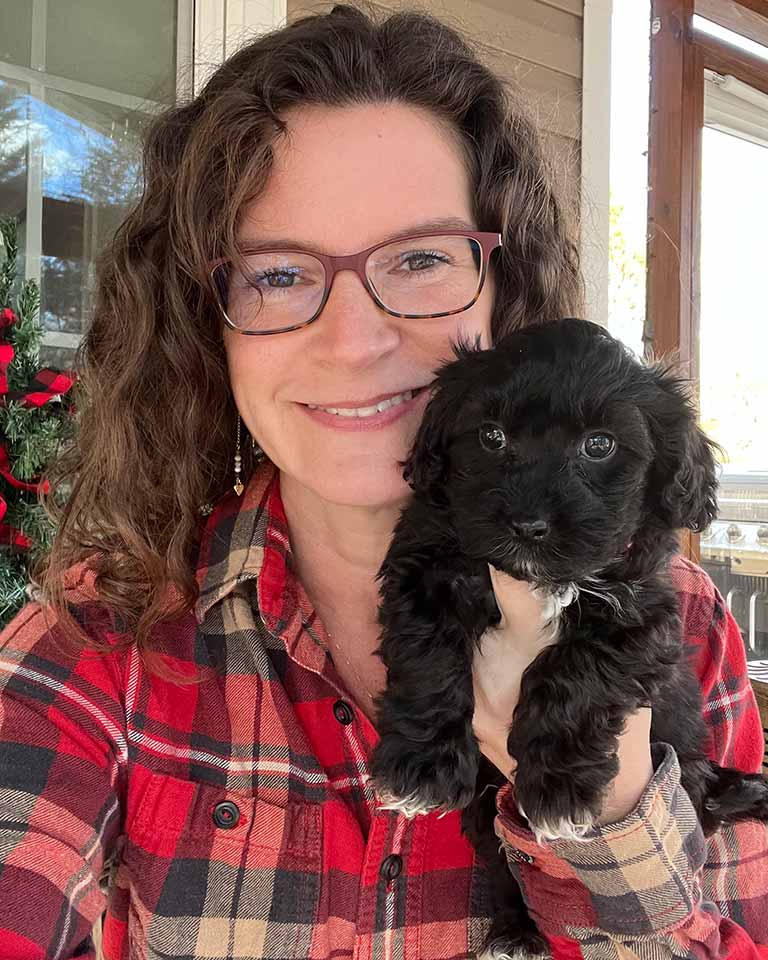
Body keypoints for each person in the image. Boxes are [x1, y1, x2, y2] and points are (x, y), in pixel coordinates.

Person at [0, 5, 766, 959]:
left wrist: (612, 816)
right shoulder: (99, 634)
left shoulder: (684, 622)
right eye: (278, 274)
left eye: (420, 259)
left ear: (504, 289)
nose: (358, 342)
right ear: (207, 324)